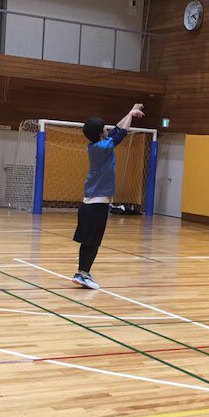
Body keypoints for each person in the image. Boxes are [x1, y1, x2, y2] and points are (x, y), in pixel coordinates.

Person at [73, 103, 145, 290]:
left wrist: (129, 112)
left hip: (89, 205)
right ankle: (83, 274)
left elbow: (116, 131)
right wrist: (131, 115)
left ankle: (82, 273)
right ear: (100, 133)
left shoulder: (98, 146)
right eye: (105, 128)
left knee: (88, 242)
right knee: (93, 242)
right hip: (96, 206)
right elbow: (121, 133)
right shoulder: (102, 148)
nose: (108, 129)